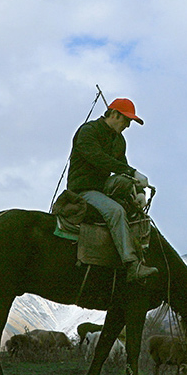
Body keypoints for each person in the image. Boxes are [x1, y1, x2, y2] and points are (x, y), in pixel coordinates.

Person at [66, 97, 158, 283]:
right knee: (115, 211)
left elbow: (121, 165)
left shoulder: (119, 140)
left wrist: (137, 190)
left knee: (127, 191)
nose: (128, 125)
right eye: (126, 120)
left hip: (103, 187)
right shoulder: (88, 131)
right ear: (114, 114)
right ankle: (131, 264)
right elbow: (97, 158)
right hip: (83, 189)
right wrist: (131, 172)